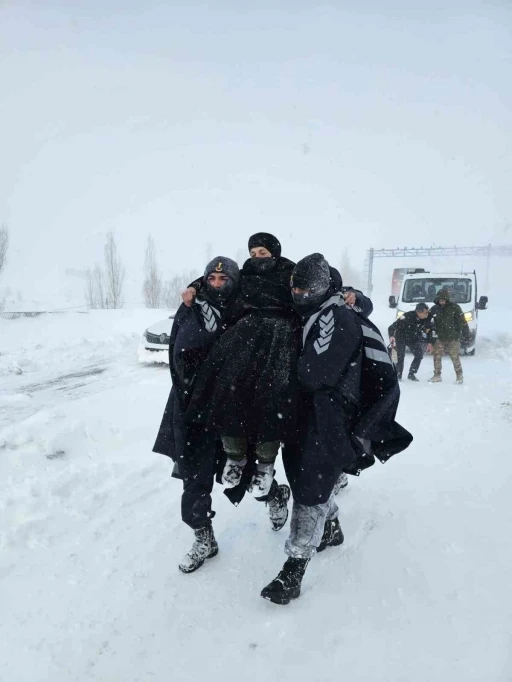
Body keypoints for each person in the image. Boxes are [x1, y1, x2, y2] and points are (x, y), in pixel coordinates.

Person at [260, 254, 413, 605]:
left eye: (305, 288)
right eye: (294, 288)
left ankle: (294, 569)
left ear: (323, 287)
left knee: (311, 486)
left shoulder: (334, 314)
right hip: (306, 416)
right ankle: (331, 528)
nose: (298, 294)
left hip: (327, 419)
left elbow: (316, 372)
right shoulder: (308, 310)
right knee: (304, 478)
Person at [153, 257, 290, 574]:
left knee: (245, 475)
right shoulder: (192, 306)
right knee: (194, 478)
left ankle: (274, 496)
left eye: (223, 278)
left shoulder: (246, 309)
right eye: (210, 279)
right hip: (193, 407)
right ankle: (204, 539)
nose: (216, 284)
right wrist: (196, 287)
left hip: (234, 408)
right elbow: (177, 351)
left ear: (235, 280)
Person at [184, 233, 299, 498]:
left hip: (279, 343)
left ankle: (265, 465)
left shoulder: (291, 273)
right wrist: (193, 287)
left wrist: (353, 296)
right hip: (244, 341)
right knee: (228, 396)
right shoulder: (243, 275)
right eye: (253, 253)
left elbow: (321, 285)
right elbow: (216, 280)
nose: (257, 258)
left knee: (272, 403)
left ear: (275, 252)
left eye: (263, 252)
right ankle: (234, 457)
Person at [427, 288, 470, 384]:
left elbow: (462, 321)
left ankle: (459, 375)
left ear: (447, 299)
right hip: (439, 338)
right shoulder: (434, 309)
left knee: (455, 357)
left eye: (443, 299)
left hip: (453, 338)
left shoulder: (455, 308)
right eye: (440, 299)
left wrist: (466, 334)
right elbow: (428, 322)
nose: (442, 301)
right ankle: (437, 375)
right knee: (437, 357)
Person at [388, 303, 431, 381]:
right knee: (400, 356)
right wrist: (391, 336)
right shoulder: (406, 316)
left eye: (427, 312)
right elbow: (391, 327)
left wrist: (429, 342)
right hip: (401, 336)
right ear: (419, 312)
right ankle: (398, 374)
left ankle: (412, 373)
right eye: (425, 313)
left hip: (413, 338)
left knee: (419, 354)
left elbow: (428, 331)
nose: (426, 314)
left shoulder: (426, 318)